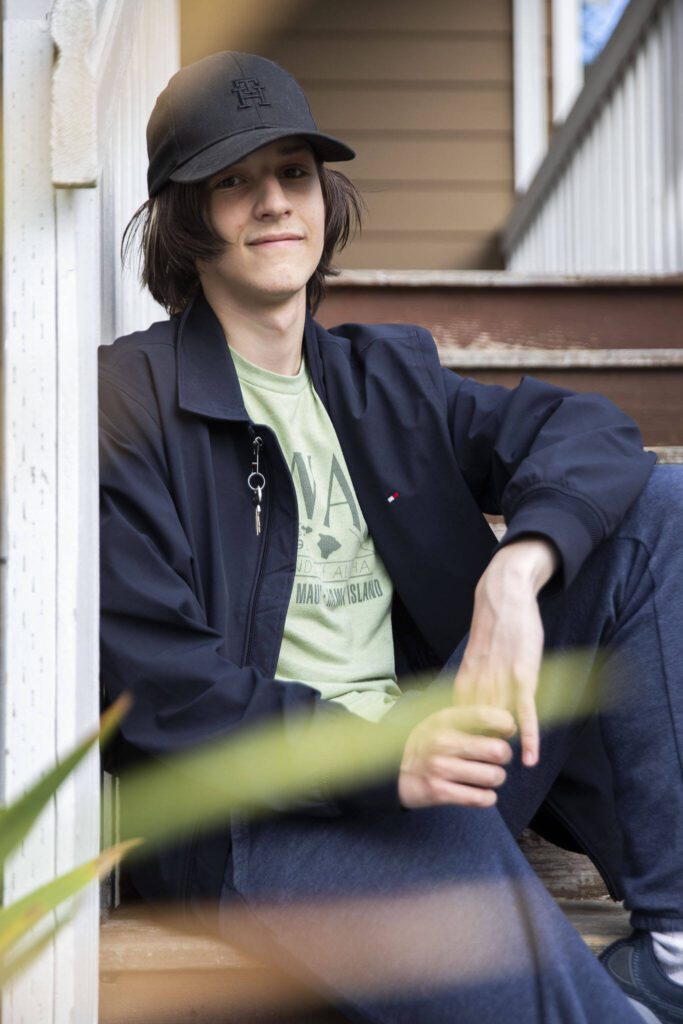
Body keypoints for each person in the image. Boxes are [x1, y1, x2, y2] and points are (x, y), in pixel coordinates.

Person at [99, 51, 683, 1023]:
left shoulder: (381, 376)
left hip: (437, 746)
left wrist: (514, 572)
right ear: (184, 216)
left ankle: (670, 945)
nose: (273, 202)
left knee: (651, 515)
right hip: (264, 815)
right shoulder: (131, 401)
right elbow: (158, 684)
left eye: (292, 173)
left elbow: (587, 437)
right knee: (451, 870)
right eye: (234, 180)